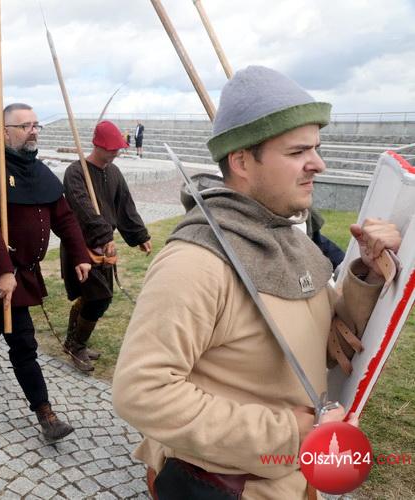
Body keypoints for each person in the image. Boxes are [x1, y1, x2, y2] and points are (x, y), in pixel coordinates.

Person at [111, 66, 402, 499]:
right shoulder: (194, 264)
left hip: (293, 483)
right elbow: (141, 391)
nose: (318, 164)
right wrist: (289, 434)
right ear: (242, 161)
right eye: (298, 151)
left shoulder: (291, 238)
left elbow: (324, 340)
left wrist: (368, 272)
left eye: (316, 148)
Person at [0, 102, 92, 441]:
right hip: (4, 270)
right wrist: (4, 273)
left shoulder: (40, 171)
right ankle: (45, 414)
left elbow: (64, 217)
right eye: (25, 126)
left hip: (27, 271)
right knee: (22, 342)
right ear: (5, 132)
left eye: (36, 125)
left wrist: (80, 254)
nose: (33, 131)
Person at [61, 120, 151, 372]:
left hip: (105, 247)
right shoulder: (75, 172)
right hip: (81, 245)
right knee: (98, 297)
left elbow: (125, 206)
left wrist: (140, 235)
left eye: (118, 148)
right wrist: (103, 235)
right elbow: (83, 209)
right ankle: (77, 345)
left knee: (94, 297)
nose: (116, 153)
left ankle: (71, 342)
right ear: (97, 145)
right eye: (112, 149)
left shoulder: (114, 173)